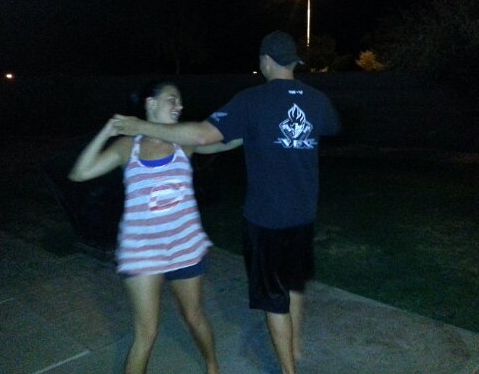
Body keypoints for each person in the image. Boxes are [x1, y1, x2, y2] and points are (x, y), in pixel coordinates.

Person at [112, 31, 340, 374]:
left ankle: (288, 369)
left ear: (265, 61)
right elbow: (329, 128)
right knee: (293, 283)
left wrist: (142, 126)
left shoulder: (252, 100)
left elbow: (203, 134)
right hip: (304, 215)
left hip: (267, 220)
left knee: (275, 299)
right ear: (293, 62)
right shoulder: (317, 99)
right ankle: (296, 346)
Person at [69, 81, 240, 374]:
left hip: (185, 245)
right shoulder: (128, 146)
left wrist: (258, 126)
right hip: (142, 251)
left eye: (180, 102)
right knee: (146, 333)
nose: (179, 106)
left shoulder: (183, 142)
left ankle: (212, 365)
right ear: (151, 103)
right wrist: (106, 132)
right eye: (172, 99)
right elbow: (79, 173)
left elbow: (225, 141)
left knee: (194, 316)